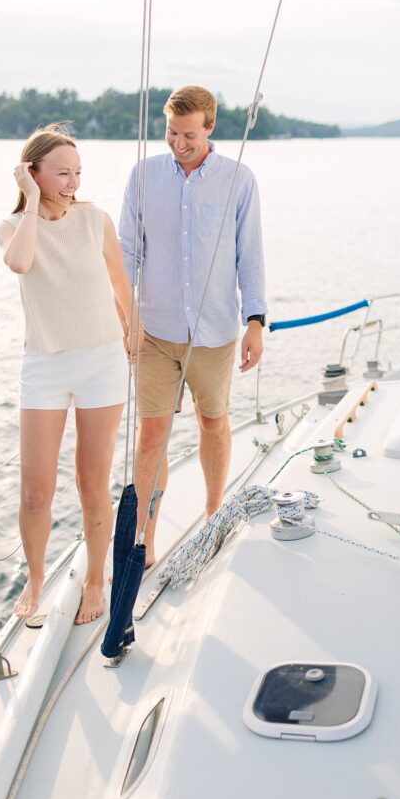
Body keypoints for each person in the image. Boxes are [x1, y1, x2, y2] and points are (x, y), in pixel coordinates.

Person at [118, 85, 266, 566]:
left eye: (187, 135)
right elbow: (127, 250)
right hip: (156, 329)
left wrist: (256, 321)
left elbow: (251, 254)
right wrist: (125, 310)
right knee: (151, 434)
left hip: (215, 330)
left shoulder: (239, 179)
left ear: (209, 128)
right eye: (170, 133)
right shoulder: (143, 175)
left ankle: (212, 510)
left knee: (212, 422)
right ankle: (144, 537)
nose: (178, 143)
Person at [0, 124, 140, 625]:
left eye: (77, 172)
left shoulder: (95, 219)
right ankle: (35, 581)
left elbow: (120, 281)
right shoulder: (15, 226)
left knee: (91, 482)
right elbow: (20, 263)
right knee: (35, 490)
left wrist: (134, 332)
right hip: (45, 365)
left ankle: (97, 578)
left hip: (102, 361)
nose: (73, 181)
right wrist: (33, 202)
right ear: (31, 173)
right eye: (61, 173)